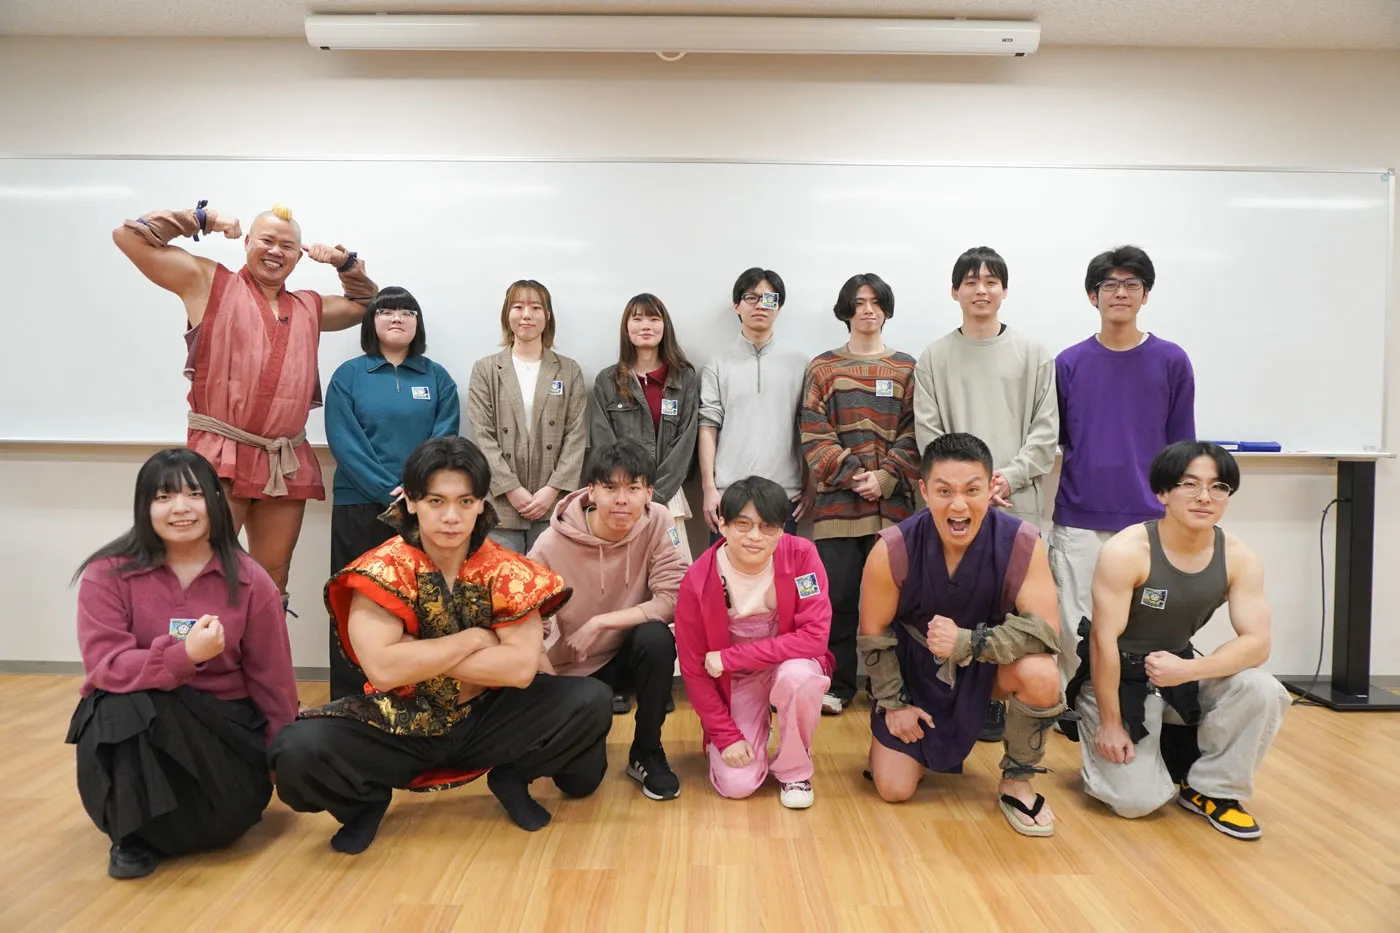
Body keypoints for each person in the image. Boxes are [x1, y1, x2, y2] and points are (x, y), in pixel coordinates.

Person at [270, 437, 611, 851]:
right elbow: (383, 671)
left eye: (465, 502)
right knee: (294, 750)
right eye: (436, 501)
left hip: (486, 715)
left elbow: (520, 670)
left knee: (592, 700)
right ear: (411, 501)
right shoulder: (379, 569)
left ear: (481, 504)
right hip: (398, 720)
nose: (451, 517)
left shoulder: (507, 569)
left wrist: (411, 651)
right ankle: (363, 803)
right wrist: (474, 639)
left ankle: (513, 776)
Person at [112, 202, 377, 604]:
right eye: (267, 240)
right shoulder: (207, 282)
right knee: (203, 566)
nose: (275, 251)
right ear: (248, 242)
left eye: (287, 246)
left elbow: (366, 303)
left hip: (283, 457)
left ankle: (262, 646)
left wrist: (345, 264)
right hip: (220, 451)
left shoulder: (309, 305)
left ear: (298, 256)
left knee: (273, 575)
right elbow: (129, 237)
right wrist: (202, 220)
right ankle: (197, 646)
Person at [66, 448, 299, 879]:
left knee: (222, 821)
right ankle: (131, 837)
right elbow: (105, 666)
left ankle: (190, 824)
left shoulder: (251, 580)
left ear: (216, 500)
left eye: (194, 494)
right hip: (141, 727)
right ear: (144, 507)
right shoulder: (107, 574)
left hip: (222, 731)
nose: (180, 508)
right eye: (163, 497)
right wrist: (185, 656)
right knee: (115, 703)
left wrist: (280, 759)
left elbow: (274, 681)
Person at [1067, 441, 1290, 839]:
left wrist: (1190, 669)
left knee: (1263, 689)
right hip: (1118, 677)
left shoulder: (1240, 557)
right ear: (1163, 493)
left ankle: (1213, 790)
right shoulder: (1126, 550)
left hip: (1177, 671)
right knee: (1136, 803)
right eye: (1190, 484)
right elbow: (1103, 642)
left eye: (1218, 487)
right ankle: (1129, 745)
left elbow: (1258, 644)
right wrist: (1112, 724)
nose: (1205, 497)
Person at [858, 433, 1064, 837]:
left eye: (972, 490)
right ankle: (897, 745)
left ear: (991, 488)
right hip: (915, 671)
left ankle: (1017, 780)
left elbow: (1045, 632)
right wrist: (894, 704)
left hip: (986, 667)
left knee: (1042, 673)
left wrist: (969, 643)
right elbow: (873, 635)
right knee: (894, 788)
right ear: (924, 492)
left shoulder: (1021, 543)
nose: (958, 505)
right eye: (944, 491)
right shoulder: (893, 548)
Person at [913, 246, 1058, 742]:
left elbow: (1045, 433)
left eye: (991, 281)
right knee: (958, 597)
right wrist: (967, 488)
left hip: (1016, 499)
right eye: (971, 281)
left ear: (1004, 290)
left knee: (1014, 605)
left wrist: (1003, 480)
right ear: (955, 291)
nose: (981, 289)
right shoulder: (934, 357)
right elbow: (929, 432)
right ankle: (955, 697)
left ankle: (1000, 701)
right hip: (955, 505)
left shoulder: (1034, 354)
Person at [1051, 246, 1195, 688]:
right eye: (1109, 284)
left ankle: (1138, 709)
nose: (1120, 293)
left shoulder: (1171, 360)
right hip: (1080, 517)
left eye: (1132, 284)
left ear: (1145, 295)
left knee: (1144, 629)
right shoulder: (1068, 363)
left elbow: (1182, 450)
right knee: (1075, 627)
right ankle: (1074, 710)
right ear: (1092, 296)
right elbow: (1062, 438)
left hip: (1149, 520)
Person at [527, 440, 689, 800]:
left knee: (657, 638)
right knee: (578, 785)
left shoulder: (659, 521)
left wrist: (600, 623)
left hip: (628, 651)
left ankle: (647, 751)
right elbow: (528, 625)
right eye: (610, 488)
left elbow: (673, 597)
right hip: (576, 666)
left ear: (648, 493)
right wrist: (552, 691)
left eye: (633, 488)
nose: (622, 500)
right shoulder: (550, 545)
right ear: (591, 491)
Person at [324, 285, 460, 699]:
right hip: (359, 504)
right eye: (386, 311)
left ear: (418, 324)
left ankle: (418, 693)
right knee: (355, 601)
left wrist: (417, 492)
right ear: (372, 322)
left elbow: (444, 439)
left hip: (421, 511)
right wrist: (389, 491)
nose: (397, 317)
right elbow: (345, 441)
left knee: (420, 602)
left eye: (406, 311)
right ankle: (352, 696)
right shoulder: (349, 375)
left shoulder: (436, 377)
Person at [800, 273, 919, 716]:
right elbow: (813, 430)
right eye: (859, 302)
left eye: (875, 302)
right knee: (837, 602)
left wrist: (886, 478)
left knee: (895, 605)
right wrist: (853, 475)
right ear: (845, 310)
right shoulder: (822, 368)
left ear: (886, 310)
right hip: (837, 508)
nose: (867, 310)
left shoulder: (907, 368)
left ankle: (892, 689)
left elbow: (916, 431)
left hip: (893, 510)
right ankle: (837, 684)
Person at [675, 476, 834, 809]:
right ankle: (752, 728)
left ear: (782, 528)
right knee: (737, 784)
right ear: (722, 524)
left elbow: (815, 638)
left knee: (800, 678)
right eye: (743, 524)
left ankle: (795, 768)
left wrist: (730, 657)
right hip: (737, 682)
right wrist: (726, 736)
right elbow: (694, 669)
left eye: (768, 527)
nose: (755, 537)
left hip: (786, 665)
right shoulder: (697, 580)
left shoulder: (802, 557)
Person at [467, 280, 587, 554]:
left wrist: (552, 489)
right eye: (518, 307)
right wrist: (511, 489)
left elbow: (576, 435)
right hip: (501, 502)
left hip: (554, 502)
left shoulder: (568, 370)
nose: (526, 315)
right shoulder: (486, 369)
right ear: (507, 315)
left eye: (535, 307)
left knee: (551, 578)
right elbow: (481, 436)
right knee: (504, 579)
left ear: (548, 315)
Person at [698, 267, 813, 541]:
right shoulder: (717, 363)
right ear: (737, 306)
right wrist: (708, 488)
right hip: (728, 493)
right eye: (751, 297)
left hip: (784, 494)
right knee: (724, 569)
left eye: (769, 299)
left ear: (779, 308)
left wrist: (812, 487)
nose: (760, 305)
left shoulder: (800, 364)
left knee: (780, 569)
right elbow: (708, 427)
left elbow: (812, 429)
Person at [589, 293, 700, 564]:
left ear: (665, 326)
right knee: (623, 573)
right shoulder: (608, 380)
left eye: (653, 318)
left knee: (673, 571)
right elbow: (603, 443)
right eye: (637, 319)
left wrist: (654, 496)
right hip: (621, 499)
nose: (646, 326)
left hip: (668, 498)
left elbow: (686, 443)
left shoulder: (684, 377)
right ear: (626, 328)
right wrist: (631, 492)